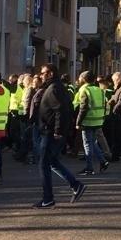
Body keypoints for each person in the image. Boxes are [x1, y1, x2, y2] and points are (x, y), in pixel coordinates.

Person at [35, 64, 86, 209]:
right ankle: (76, 185)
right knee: (51, 162)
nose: (41, 75)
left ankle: (48, 199)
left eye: (43, 72)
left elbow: (61, 111)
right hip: (51, 131)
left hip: (50, 133)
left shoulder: (54, 88)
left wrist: (57, 131)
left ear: (50, 73)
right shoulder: (55, 87)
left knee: (44, 164)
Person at [74, 71, 109, 176]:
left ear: (83, 79)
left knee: (87, 144)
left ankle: (89, 168)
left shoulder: (84, 90)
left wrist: (78, 122)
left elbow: (83, 108)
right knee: (92, 143)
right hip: (98, 120)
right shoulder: (99, 90)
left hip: (87, 120)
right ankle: (103, 161)